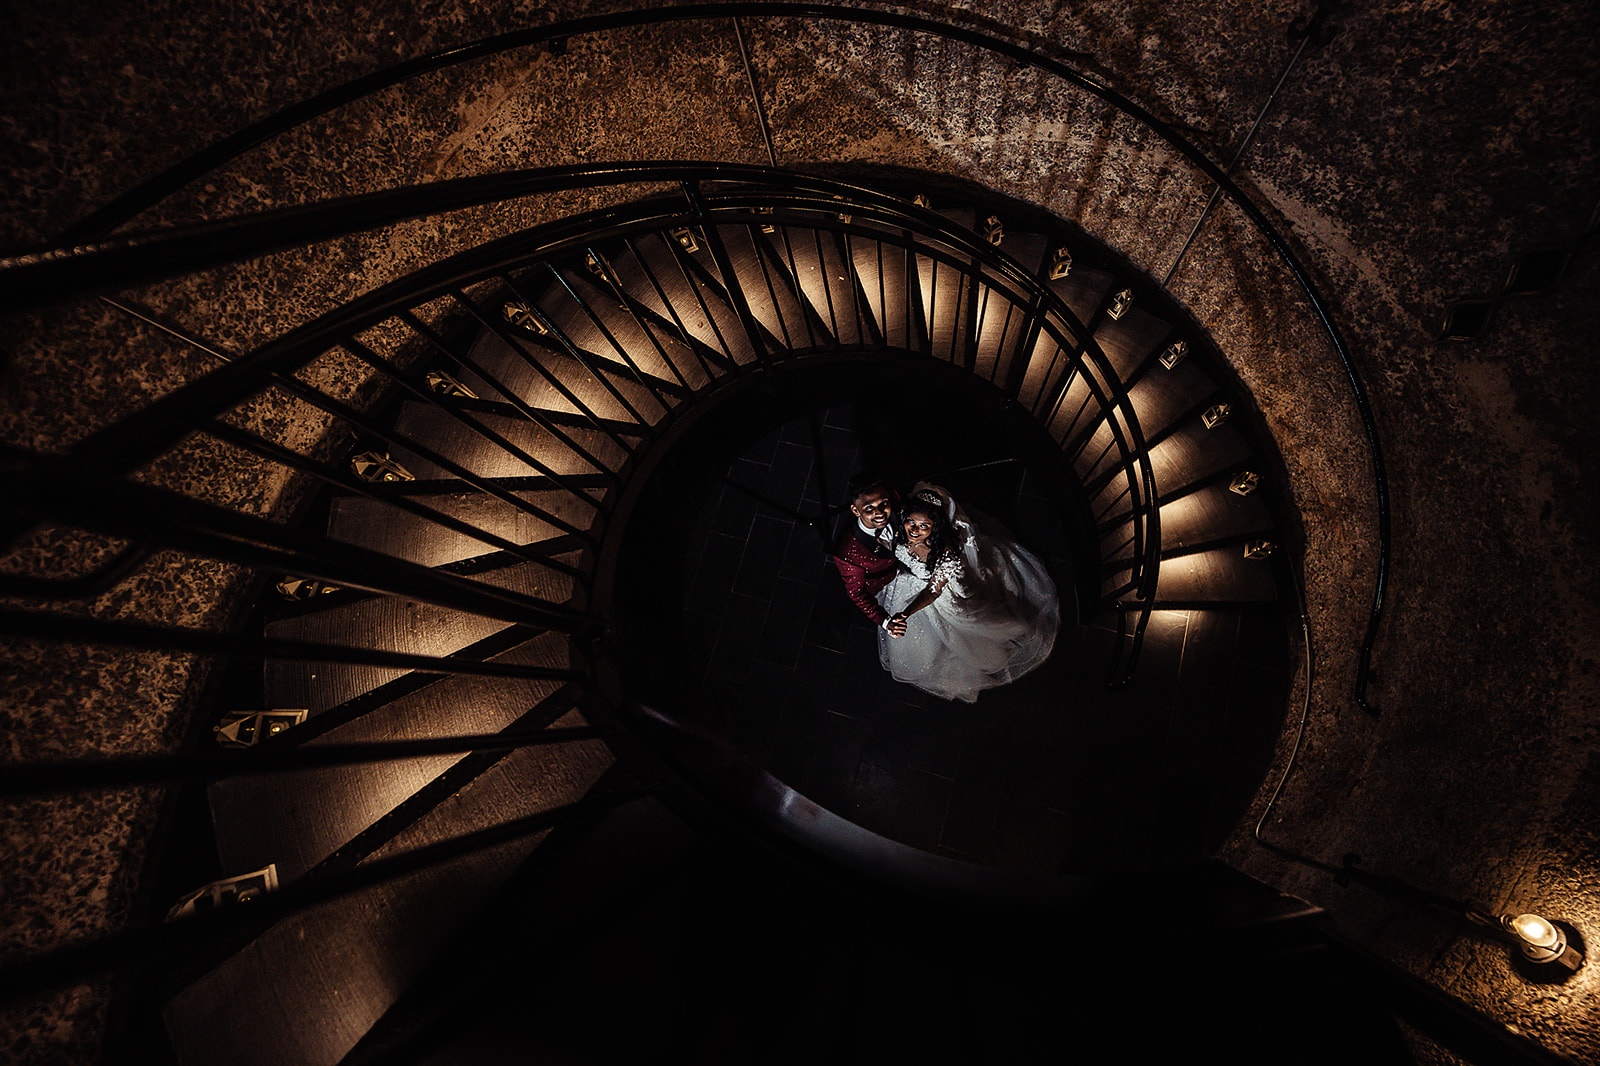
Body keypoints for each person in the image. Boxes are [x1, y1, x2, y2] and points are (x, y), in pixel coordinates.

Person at [877, 483, 1058, 702]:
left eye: (924, 526)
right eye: (911, 522)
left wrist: (906, 613)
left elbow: (933, 592)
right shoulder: (899, 531)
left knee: (963, 622)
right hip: (909, 584)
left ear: (935, 527)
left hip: (937, 595)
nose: (914, 530)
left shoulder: (945, 552)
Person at [830, 474, 909, 637]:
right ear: (855, 510)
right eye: (869, 509)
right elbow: (857, 593)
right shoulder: (848, 553)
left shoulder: (894, 500)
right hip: (885, 583)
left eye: (883, 504)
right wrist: (886, 622)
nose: (880, 513)